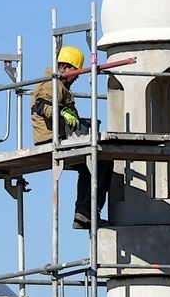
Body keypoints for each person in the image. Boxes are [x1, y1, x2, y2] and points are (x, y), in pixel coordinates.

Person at [31, 45, 113, 229]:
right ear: (65, 67)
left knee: (89, 166)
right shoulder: (52, 84)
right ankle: (87, 210)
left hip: (58, 139)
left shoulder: (60, 86)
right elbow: (41, 106)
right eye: (76, 72)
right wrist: (62, 113)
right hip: (51, 140)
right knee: (102, 161)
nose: (77, 76)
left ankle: (84, 213)